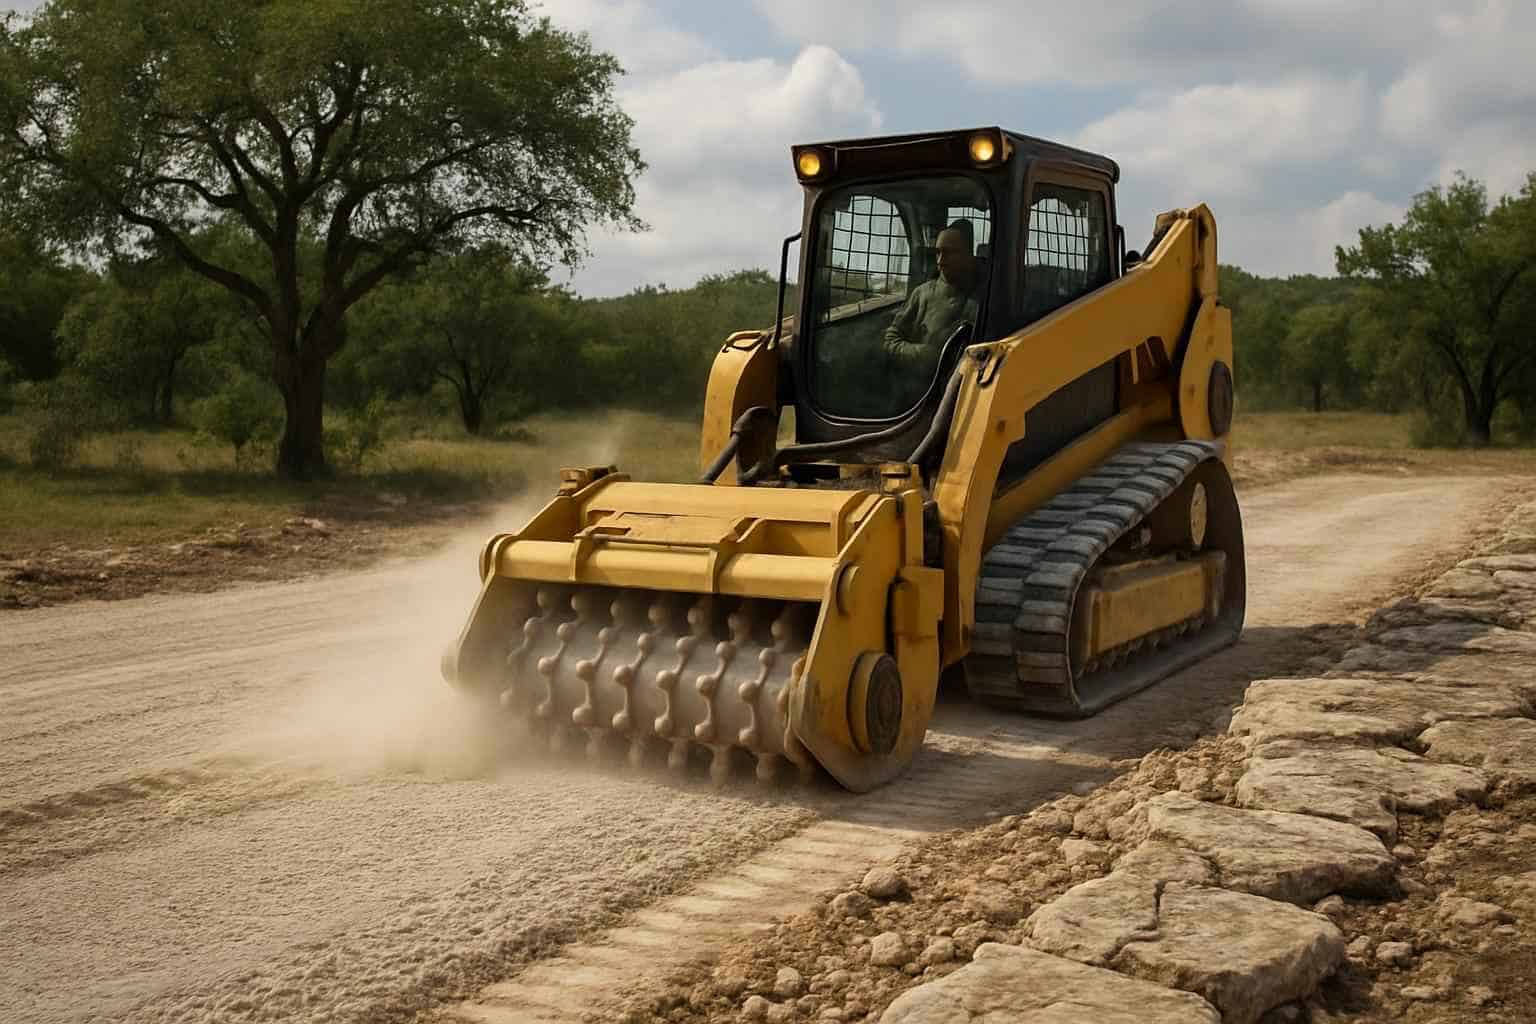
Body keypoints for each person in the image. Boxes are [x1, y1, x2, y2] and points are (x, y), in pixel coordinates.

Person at [882, 220, 983, 371]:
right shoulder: (922, 293)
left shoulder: (987, 296)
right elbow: (890, 340)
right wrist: (922, 353)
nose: (940, 261)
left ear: (968, 255)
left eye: (949, 253)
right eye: (938, 253)